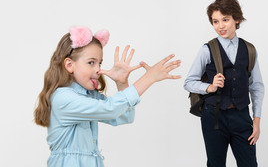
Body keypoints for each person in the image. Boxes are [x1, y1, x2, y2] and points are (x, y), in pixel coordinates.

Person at [34, 26, 181, 167]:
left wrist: (122, 83)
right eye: (91, 62)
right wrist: (148, 78)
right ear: (69, 65)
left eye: (100, 63)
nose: (98, 69)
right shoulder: (63, 98)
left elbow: (124, 116)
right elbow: (110, 109)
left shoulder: (90, 96)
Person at [184, 0, 264, 167]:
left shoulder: (249, 49)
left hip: (242, 116)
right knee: (215, 164)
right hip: (214, 116)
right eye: (215, 21)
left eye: (225, 20)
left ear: (236, 19)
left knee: (249, 164)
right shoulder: (207, 49)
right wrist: (210, 87)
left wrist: (256, 120)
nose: (220, 26)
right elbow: (189, 82)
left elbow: (256, 86)